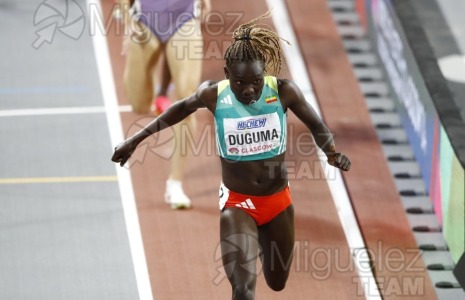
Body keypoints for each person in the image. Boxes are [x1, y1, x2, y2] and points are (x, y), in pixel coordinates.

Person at [112, 11, 351, 299]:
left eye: (256, 81)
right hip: (238, 204)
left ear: (264, 73)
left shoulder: (284, 92)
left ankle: (259, 239)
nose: (249, 90)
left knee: (277, 282)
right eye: (239, 83)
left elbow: (316, 124)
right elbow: (179, 110)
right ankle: (246, 241)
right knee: (243, 289)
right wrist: (136, 140)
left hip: (278, 202)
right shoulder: (214, 95)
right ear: (227, 75)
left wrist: (331, 153)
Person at [118, 0, 211, 209]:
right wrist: (126, 17)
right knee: (139, 103)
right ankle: (155, 86)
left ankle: (175, 183)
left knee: (188, 102)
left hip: (184, 16)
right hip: (145, 18)